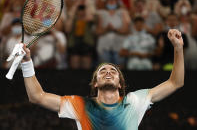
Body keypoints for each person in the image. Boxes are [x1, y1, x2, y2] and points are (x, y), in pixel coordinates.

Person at [19, 29, 184, 129]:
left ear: (120, 83)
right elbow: (37, 96)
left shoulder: (134, 101)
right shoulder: (81, 105)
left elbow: (175, 82)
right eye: (102, 70)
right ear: (95, 83)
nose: (108, 72)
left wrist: (178, 48)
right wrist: (27, 62)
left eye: (113, 70)